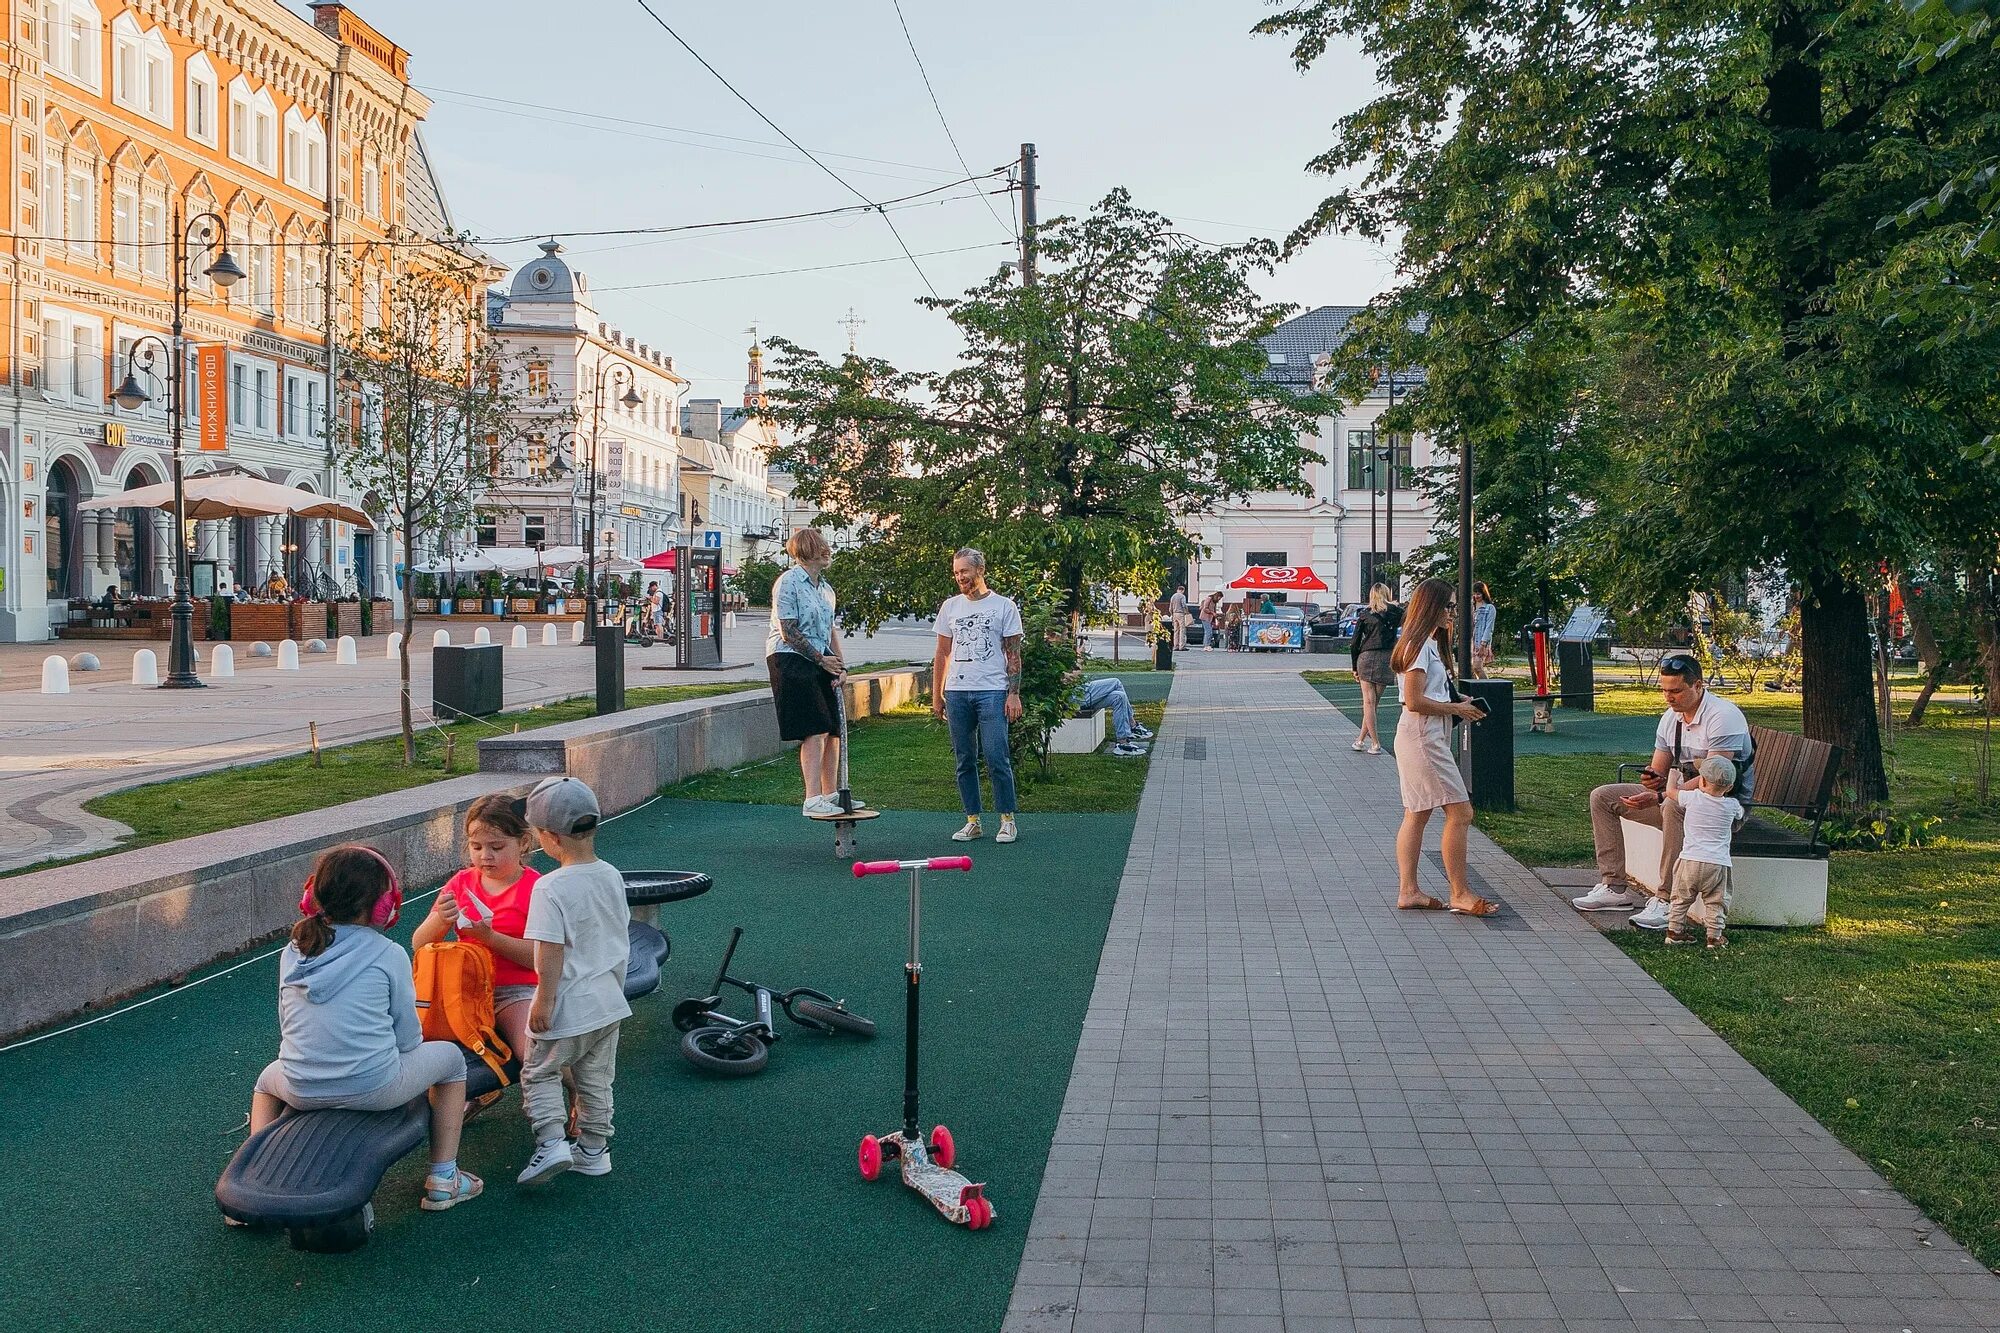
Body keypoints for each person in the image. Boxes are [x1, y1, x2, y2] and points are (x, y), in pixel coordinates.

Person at [249, 845, 480, 1212]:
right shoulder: (388, 953)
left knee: (265, 1081)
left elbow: (287, 1025)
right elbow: (407, 1038)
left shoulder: (293, 951)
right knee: (452, 1061)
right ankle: (443, 1177)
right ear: (382, 907)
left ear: (311, 897)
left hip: (301, 1086)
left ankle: (257, 1168)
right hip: (374, 1088)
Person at [1572, 652, 1755, 929]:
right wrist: (1651, 780)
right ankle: (1613, 887)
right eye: (1664, 690)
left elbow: (1714, 777)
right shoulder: (1672, 717)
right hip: (1680, 796)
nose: (1669, 698)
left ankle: (1667, 900)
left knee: (1673, 807)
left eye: (1676, 691)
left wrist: (1661, 795)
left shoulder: (1723, 716)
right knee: (1603, 797)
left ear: (1698, 686)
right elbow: (1658, 768)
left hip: (1722, 809)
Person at [516, 776, 630, 1185]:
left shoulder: (550, 887)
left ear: (549, 837)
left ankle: (551, 1144)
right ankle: (595, 1152)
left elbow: (550, 951)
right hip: (609, 1002)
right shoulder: (611, 875)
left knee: (540, 1072)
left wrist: (542, 1002)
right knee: (596, 1079)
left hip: (568, 1003)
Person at [1390, 578, 1498, 916]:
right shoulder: (1420, 645)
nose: (1453, 613)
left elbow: (1427, 694)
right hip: (1423, 736)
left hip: (1424, 734)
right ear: (1431, 607)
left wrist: (1455, 699)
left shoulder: (1425, 643)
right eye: (1449, 606)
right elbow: (1414, 700)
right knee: (1460, 812)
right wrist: (1457, 709)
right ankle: (1460, 892)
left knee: (1418, 813)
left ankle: (1409, 891)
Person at [413, 793, 542, 1068]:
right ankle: (462, 1097)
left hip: (515, 989)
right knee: (421, 1044)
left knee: (532, 1054)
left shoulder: (537, 889)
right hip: (462, 989)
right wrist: (441, 921)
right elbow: (419, 943)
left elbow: (539, 956)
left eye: (496, 847)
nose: (485, 856)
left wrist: (490, 938)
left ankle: (577, 1090)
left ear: (524, 843)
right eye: (476, 846)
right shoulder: (461, 883)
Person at [765, 528, 861, 817]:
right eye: (822, 547)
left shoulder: (825, 589)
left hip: (819, 659)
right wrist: (822, 661)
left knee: (832, 729)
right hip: (790, 658)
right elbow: (789, 630)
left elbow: (829, 630)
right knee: (815, 727)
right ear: (807, 551)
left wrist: (840, 666)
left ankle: (830, 794)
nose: (828, 551)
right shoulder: (789, 582)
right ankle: (811, 799)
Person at [929, 548, 1022, 844]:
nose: (959, 578)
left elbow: (1013, 654)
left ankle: (1007, 819)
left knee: (997, 755)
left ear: (979, 570)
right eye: (956, 573)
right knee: (964, 758)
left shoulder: (1004, 606)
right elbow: (942, 653)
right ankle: (973, 820)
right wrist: (937, 694)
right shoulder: (950, 607)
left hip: (992, 691)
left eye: (964, 572)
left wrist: (1013, 694)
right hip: (957, 692)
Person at [1669, 756, 1742, 949]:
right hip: (1717, 863)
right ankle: (1714, 936)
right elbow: (1740, 814)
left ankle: (1674, 931)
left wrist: (1673, 774)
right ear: (1730, 787)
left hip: (1690, 860)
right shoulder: (1732, 805)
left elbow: (1671, 793)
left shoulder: (1692, 797)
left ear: (1701, 781)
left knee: (1680, 899)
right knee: (1716, 902)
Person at [1349, 584, 1403, 755]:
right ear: (1387, 593)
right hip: (1386, 657)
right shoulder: (1397, 613)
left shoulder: (1365, 615)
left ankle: (1375, 743)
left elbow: (1354, 643)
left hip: (1366, 657)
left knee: (1368, 703)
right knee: (1374, 704)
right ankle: (1359, 740)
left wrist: (1354, 667)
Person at [1072, 675, 1154, 757]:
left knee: (1119, 697)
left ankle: (1123, 742)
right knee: (1116, 682)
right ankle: (1132, 726)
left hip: (1079, 691)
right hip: (1074, 695)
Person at [1470, 582, 1497, 679]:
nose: (1476, 596)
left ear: (1483, 594)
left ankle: (1487, 689)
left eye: (1478, 593)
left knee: (1477, 667)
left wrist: (1483, 644)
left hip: (1481, 642)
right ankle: (1475, 690)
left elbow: (1489, 627)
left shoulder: (1489, 608)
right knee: (1470, 670)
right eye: (1474, 593)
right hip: (1471, 642)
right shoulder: (1471, 608)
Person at [1168, 585, 1189, 651]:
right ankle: (1181, 646)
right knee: (1182, 630)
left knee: (1176, 630)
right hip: (1180, 614)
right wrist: (1186, 612)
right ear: (1182, 590)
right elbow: (1183, 605)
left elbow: (1170, 607)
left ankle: (1175, 646)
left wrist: (1172, 614)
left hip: (1174, 614)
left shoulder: (1173, 596)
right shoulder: (1182, 596)